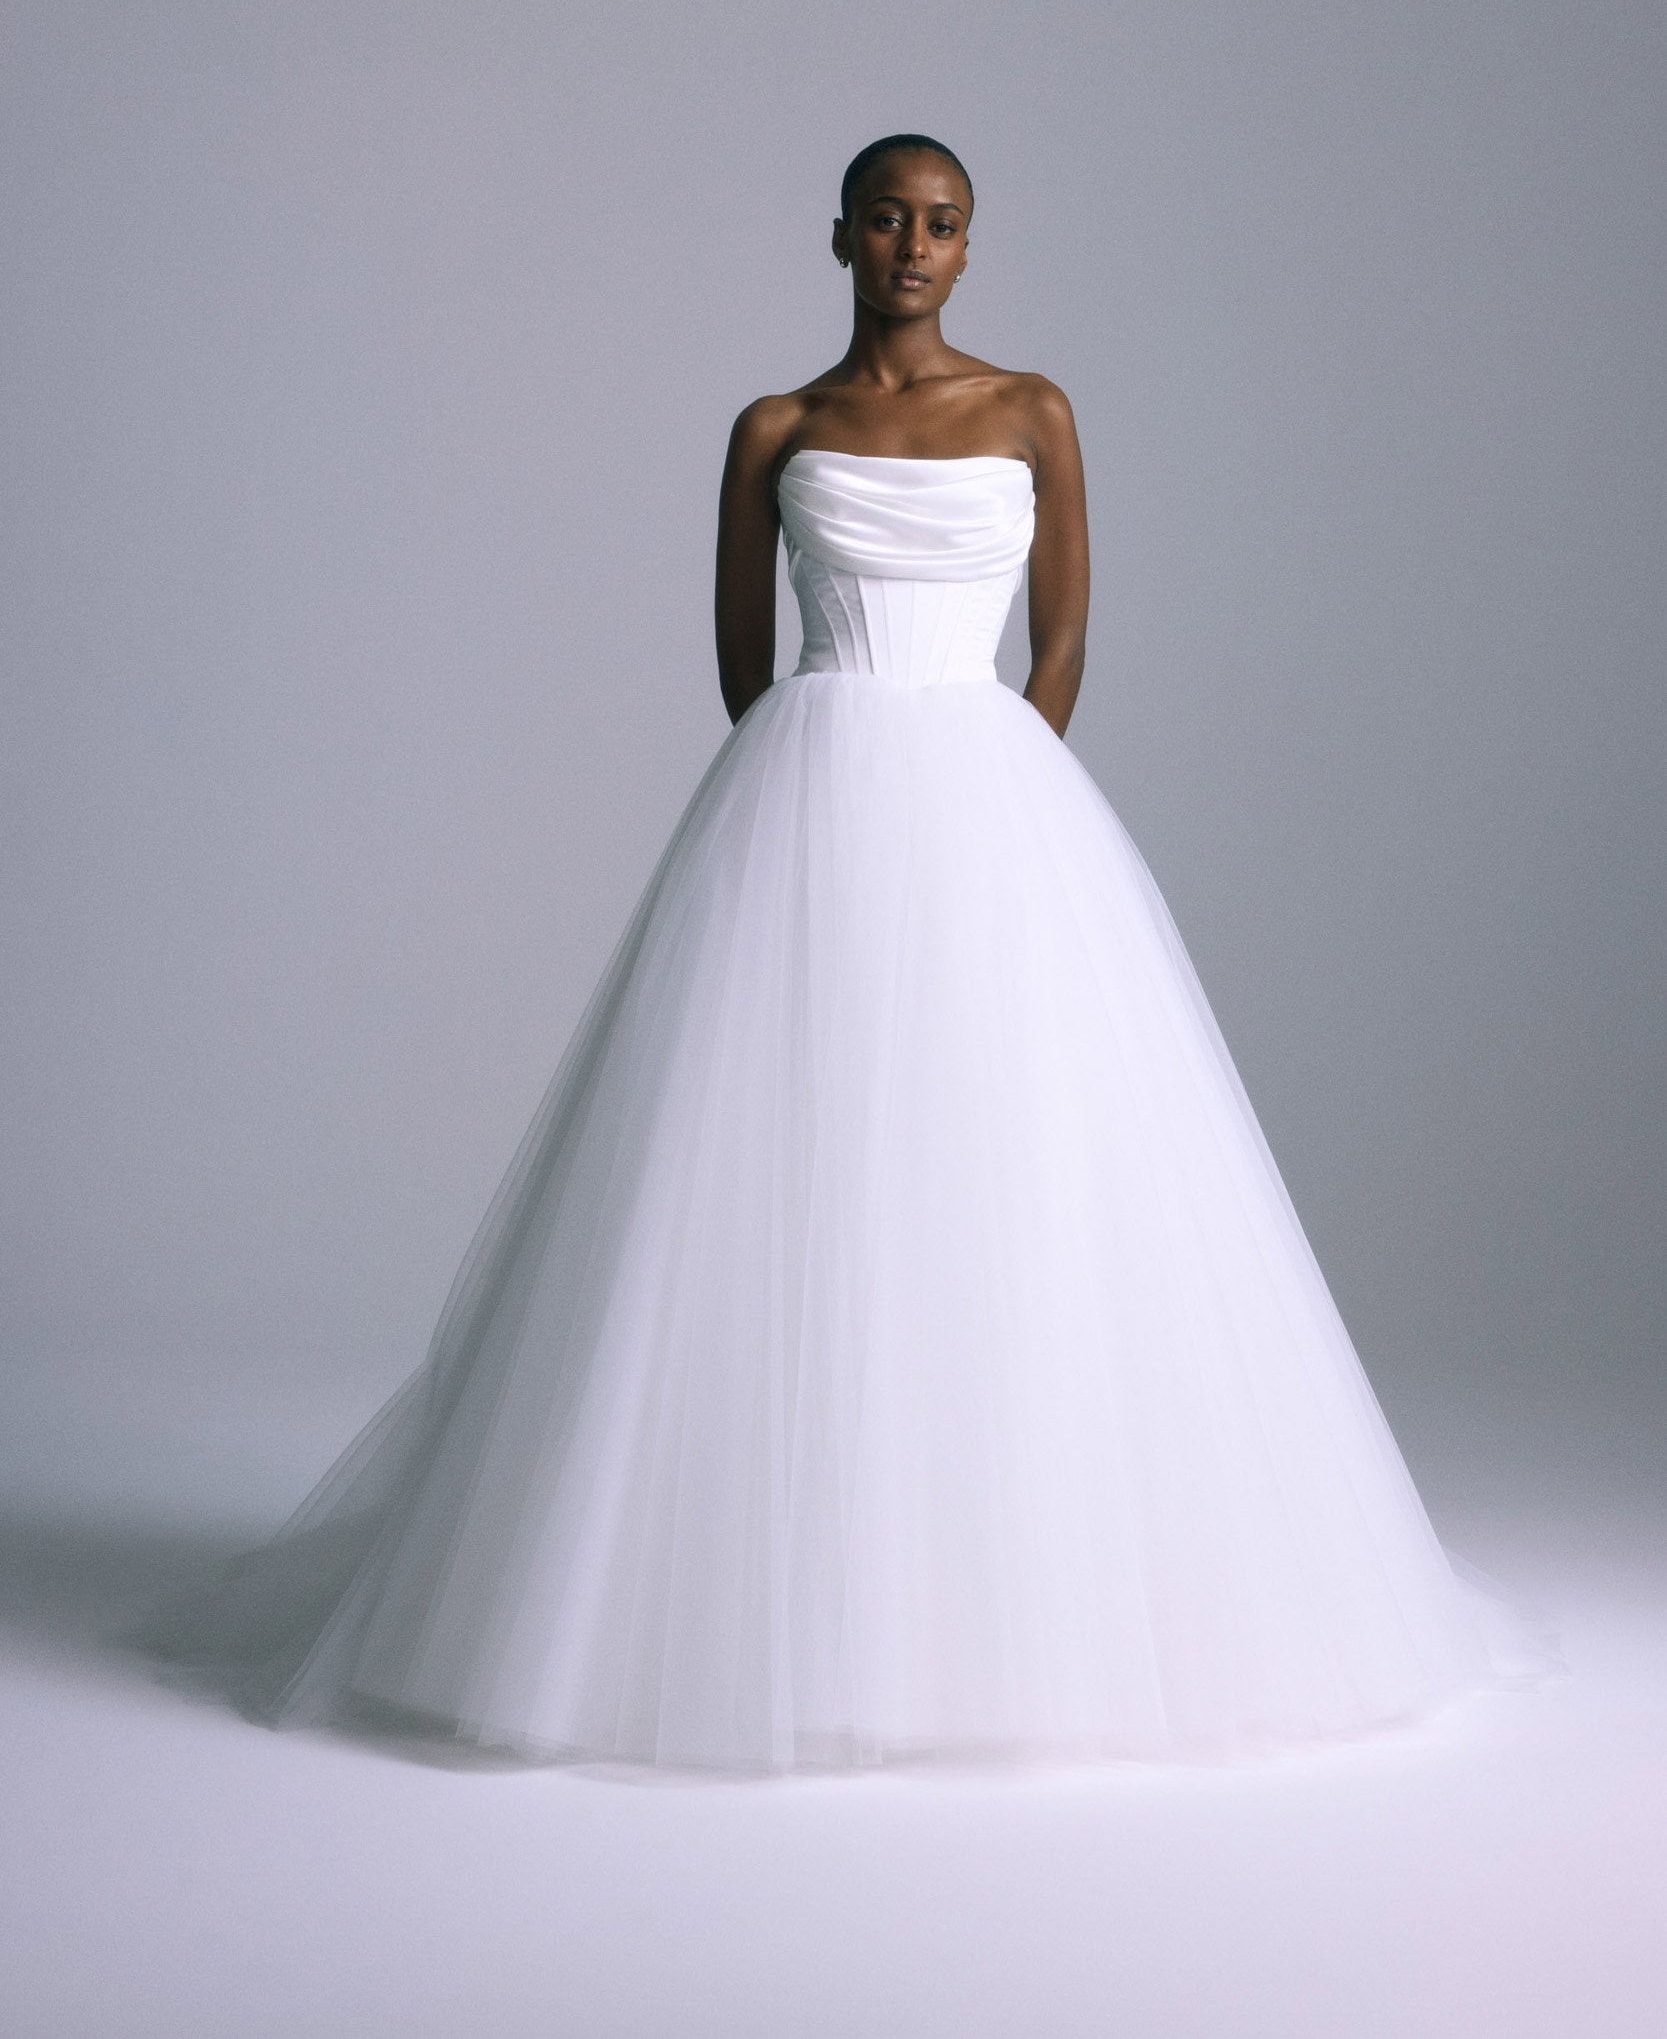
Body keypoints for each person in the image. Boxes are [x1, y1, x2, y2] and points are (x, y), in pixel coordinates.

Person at [154, 136, 1503, 1769]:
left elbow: (1065, 635)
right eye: (888, 220)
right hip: (810, 793)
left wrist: (997, 787)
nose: (916, 247)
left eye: (945, 225)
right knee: (785, 1181)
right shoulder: (774, 428)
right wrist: (829, 772)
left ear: (969, 248)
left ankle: (998, 1600)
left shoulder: (1034, 411)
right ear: (841, 238)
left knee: (1006, 1173)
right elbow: (743, 663)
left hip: (994, 803)